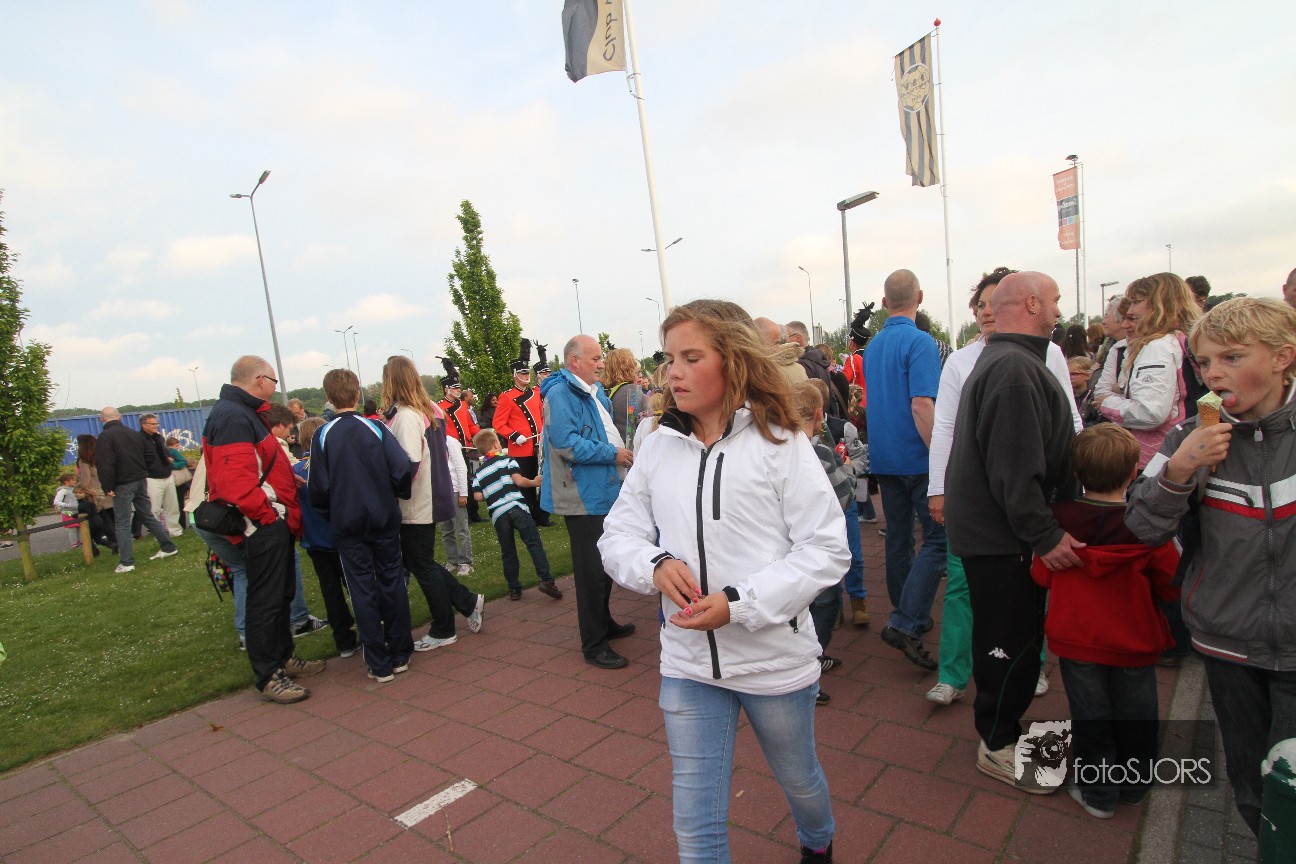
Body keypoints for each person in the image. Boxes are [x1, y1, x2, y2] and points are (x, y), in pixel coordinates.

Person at [599, 299, 847, 864]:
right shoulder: (657, 445)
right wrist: (654, 564)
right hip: (688, 663)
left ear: (733, 360)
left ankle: (818, 844)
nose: (674, 373)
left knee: (800, 779)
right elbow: (617, 535)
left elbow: (827, 548)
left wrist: (739, 603)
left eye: (692, 358)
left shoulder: (780, 441)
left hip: (773, 663)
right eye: (669, 359)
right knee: (695, 822)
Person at [1127, 297, 1296, 836]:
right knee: (1251, 789)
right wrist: (1179, 472)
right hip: (1227, 642)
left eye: (1232, 357)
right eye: (1203, 362)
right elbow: (1141, 526)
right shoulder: (1188, 437)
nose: (1213, 374)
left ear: (1283, 358)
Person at [945, 272, 1082, 792]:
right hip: (1004, 540)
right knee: (1008, 644)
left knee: (1013, 639)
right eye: (1054, 300)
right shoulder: (1013, 370)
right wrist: (1045, 536)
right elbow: (1014, 471)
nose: (1058, 310)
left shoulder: (1008, 361)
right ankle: (998, 742)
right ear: (1031, 303)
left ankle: (1002, 730)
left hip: (1001, 536)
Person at [1030, 424, 1179, 815]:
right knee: (1138, 716)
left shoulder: (1056, 523)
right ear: (1133, 471)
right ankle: (1135, 786)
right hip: (1134, 640)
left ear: (1077, 472)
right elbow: (1172, 584)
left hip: (1077, 638)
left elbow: (1041, 575)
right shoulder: (1149, 526)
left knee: (1090, 716)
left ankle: (1098, 795)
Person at [202, 357, 323, 704]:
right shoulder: (233, 417)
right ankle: (269, 675)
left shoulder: (243, 413)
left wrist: (284, 481)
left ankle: (284, 657)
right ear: (258, 380)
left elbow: (258, 464)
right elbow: (235, 481)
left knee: (280, 594)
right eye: (273, 380)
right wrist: (267, 517)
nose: (274, 387)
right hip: (262, 523)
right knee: (265, 601)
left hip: (272, 518)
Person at [309, 369, 414, 683]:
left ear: (328, 398)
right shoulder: (374, 428)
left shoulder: (326, 435)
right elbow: (401, 467)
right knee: (392, 581)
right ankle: (399, 653)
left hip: (349, 521)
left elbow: (318, 487)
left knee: (362, 588)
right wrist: (393, 494)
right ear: (357, 394)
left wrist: (333, 512)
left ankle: (380, 661)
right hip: (381, 517)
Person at [863, 269, 945, 671]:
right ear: (920, 297)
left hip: (885, 457)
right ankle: (908, 617)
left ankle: (906, 610)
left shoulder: (873, 347)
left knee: (897, 538)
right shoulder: (921, 342)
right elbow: (922, 405)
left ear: (883, 303)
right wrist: (941, 455)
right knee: (938, 540)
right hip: (918, 456)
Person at [540, 334, 636, 669]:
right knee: (591, 571)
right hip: (581, 495)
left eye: (601, 358)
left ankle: (603, 623)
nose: (601, 364)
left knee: (604, 564)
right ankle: (594, 645)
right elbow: (567, 444)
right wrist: (613, 454)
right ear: (574, 361)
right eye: (595, 358)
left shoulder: (593, 392)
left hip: (602, 490)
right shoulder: (560, 393)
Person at [382, 355, 484, 652]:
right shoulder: (430, 409)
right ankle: (466, 602)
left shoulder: (406, 415)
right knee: (420, 561)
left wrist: (389, 490)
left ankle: (444, 627)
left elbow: (408, 464)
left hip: (415, 500)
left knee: (421, 564)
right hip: (431, 493)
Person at [1094, 273, 1202, 468]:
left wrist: (1107, 403)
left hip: (1155, 457)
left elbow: (1150, 412)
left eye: (1136, 302)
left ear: (1158, 305)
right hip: (1177, 450)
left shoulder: (1158, 347)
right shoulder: (1180, 340)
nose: (1131, 309)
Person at [791, 380, 855, 704]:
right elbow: (845, 496)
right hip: (816, 547)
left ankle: (805, 660)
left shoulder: (774, 448)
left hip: (786, 550)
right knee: (827, 603)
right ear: (819, 415)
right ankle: (810, 666)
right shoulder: (821, 453)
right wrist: (850, 469)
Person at [293, 416, 359, 658]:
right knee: (356, 586)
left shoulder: (295, 471)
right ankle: (368, 630)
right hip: (339, 537)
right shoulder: (331, 466)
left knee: (331, 591)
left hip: (314, 540)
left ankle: (343, 641)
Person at [471, 429, 562, 601]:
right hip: (517, 507)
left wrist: (490, 490)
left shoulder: (479, 472)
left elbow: (478, 496)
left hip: (499, 515)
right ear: (496, 444)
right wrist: (534, 482)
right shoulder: (507, 460)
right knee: (533, 543)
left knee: (508, 551)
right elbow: (519, 480)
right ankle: (547, 580)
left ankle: (514, 588)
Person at [96, 407, 178, 574]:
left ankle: (126, 562)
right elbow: (149, 455)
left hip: (122, 483)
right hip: (140, 479)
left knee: (122, 522)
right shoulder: (134, 434)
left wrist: (107, 486)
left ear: (101, 419)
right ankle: (168, 546)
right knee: (147, 515)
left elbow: (105, 463)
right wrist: (142, 470)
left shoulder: (105, 436)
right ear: (119, 417)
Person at [493, 339, 550, 526]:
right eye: (522, 373)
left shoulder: (535, 394)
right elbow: (498, 423)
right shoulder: (506, 397)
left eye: (527, 373)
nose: (526, 376)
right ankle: (526, 517)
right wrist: (514, 435)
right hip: (520, 449)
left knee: (540, 481)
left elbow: (541, 417)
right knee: (524, 485)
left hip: (537, 446)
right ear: (514, 375)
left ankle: (541, 516)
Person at [437, 359, 485, 523]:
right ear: (446, 389)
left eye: (458, 387)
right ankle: (461, 513)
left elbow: (470, 426)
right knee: (457, 481)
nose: (458, 390)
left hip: (466, 448)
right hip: (451, 450)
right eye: (455, 387)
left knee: (469, 480)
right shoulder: (439, 407)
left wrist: (482, 435)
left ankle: (473, 513)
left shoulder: (462, 405)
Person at [140, 414, 183, 537]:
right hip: (152, 477)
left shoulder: (159, 438)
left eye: (157, 424)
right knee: (154, 508)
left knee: (172, 506)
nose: (156, 426)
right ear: (144, 425)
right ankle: (158, 533)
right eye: (153, 424)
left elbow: (165, 453)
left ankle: (175, 530)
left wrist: (168, 459)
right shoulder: (139, 440)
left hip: (167, 475)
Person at [75, 434, 116, 550]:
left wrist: (76, 487)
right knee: (113, 520)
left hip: (96, 495)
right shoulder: (101, 457)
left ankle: (114, 543)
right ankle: (119, 542)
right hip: (107, 491)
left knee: (105, 522)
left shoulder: (84, 461)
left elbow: (85, 481)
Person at [602, 347, 649, 443]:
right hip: (631, 447)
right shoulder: (632, 392)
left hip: (613, 445)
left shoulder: (605, 391)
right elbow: (644, 424)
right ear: (629, 367)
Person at [54, 472, 80, 547]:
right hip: (67, 512)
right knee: (72, 527)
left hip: (76, 511)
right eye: (73, 480)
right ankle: (74, 544)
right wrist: (68, 505)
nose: (75, 481)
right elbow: (56, 502)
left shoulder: (73, 489)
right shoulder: (63, 491)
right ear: (66, 482)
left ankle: (78, 542)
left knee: (78, 527)